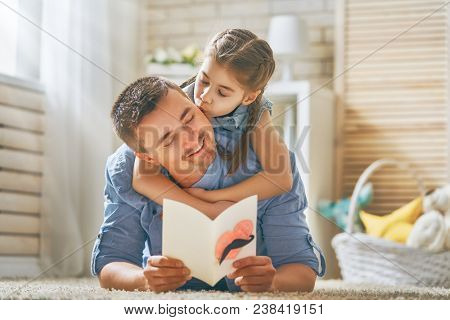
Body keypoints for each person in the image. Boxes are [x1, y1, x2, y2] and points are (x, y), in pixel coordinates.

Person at [91, 76, 326, 292]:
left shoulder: (268, 164)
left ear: (197, 105)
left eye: (189, 118)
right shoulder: (124, 169)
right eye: (170, 139)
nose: (192, 140)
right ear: (148, 157)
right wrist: (143, 279)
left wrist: (273, 281)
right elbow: (111, 263)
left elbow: (302, 272)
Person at [132, 29, 293, 220]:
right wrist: (201, 206)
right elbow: (143, 177)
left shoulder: (256, 112)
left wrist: (213, 197)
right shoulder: (179, 101)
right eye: (204, 80)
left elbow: (281, 178)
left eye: (222, 93)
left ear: (249, 97)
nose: (205, 96)